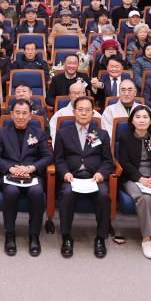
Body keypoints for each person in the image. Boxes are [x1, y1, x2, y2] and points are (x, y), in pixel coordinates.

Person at [0, 99, 53, 257]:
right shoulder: (2, 132)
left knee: (37, 192)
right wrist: (10, 168)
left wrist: (31, 168)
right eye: (17, 113)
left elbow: (47, 157)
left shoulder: (38, 133)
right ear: (11, 114)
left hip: (31, 175)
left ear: (30, 115)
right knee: (11, 192)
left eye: (24, 113)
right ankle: (10, 234)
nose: (20, 116)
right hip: (10, 175)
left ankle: (34, 235)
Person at [53, 96, 112, 258]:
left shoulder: (101, 134)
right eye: (80, 109)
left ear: (93, 113)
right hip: (72, 177)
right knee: (67, 194)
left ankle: (100, 238)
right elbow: (58, 159)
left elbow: (108, 161)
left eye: (88, 110)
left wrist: (101, 173)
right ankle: (66, 237)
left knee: (103, 195)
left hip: (94, 177)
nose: (84, 113)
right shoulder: (63, 133)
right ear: (74, 111)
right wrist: (65, 173)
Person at [118, 105, 151, 259]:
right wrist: (140, 178)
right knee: (144, 198)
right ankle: (146, 239)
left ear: (150, 121)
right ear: (132, 120)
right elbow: (125, 162)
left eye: (145, 117)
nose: (142, 120)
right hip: (134, 178)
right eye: (138, 117)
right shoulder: (125, 137)